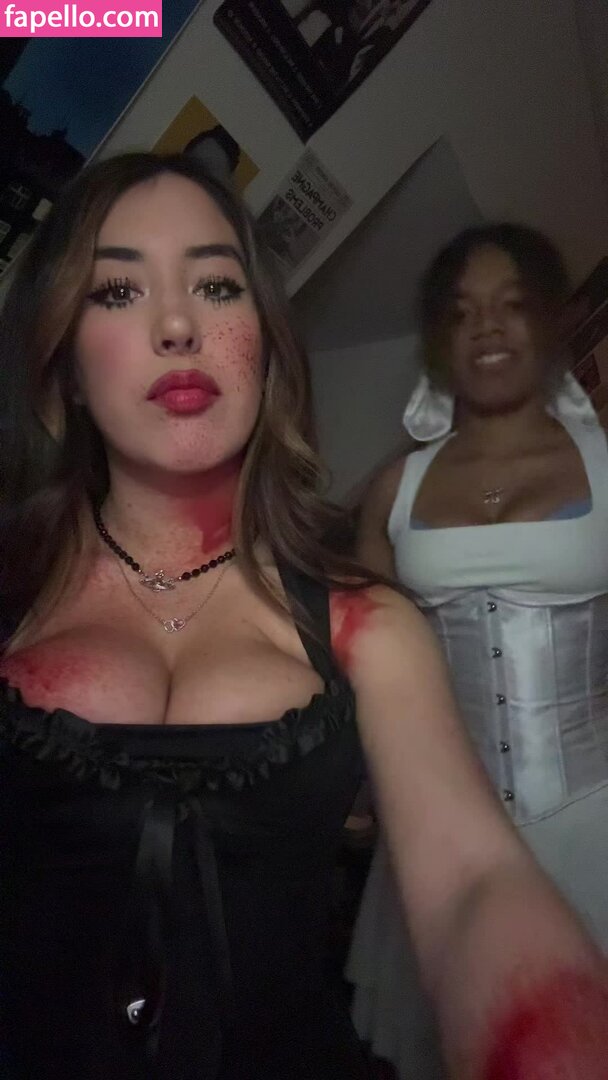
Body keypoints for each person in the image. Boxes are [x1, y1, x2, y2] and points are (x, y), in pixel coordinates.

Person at [0, 161, 607, 1080]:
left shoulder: (369, 628)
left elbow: (474, 883)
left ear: (265, 343)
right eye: (118, 291)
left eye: (216, 285)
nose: (178, 325)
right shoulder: (15, 603)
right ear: (67, 364)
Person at [347, 223, 608, 1078]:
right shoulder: (395, 489)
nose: (487, 327)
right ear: (439, 339)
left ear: (550, 321)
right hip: (442, 833)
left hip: (593, 818)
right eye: (462, 313)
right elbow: (368, 671)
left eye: (511, 305)